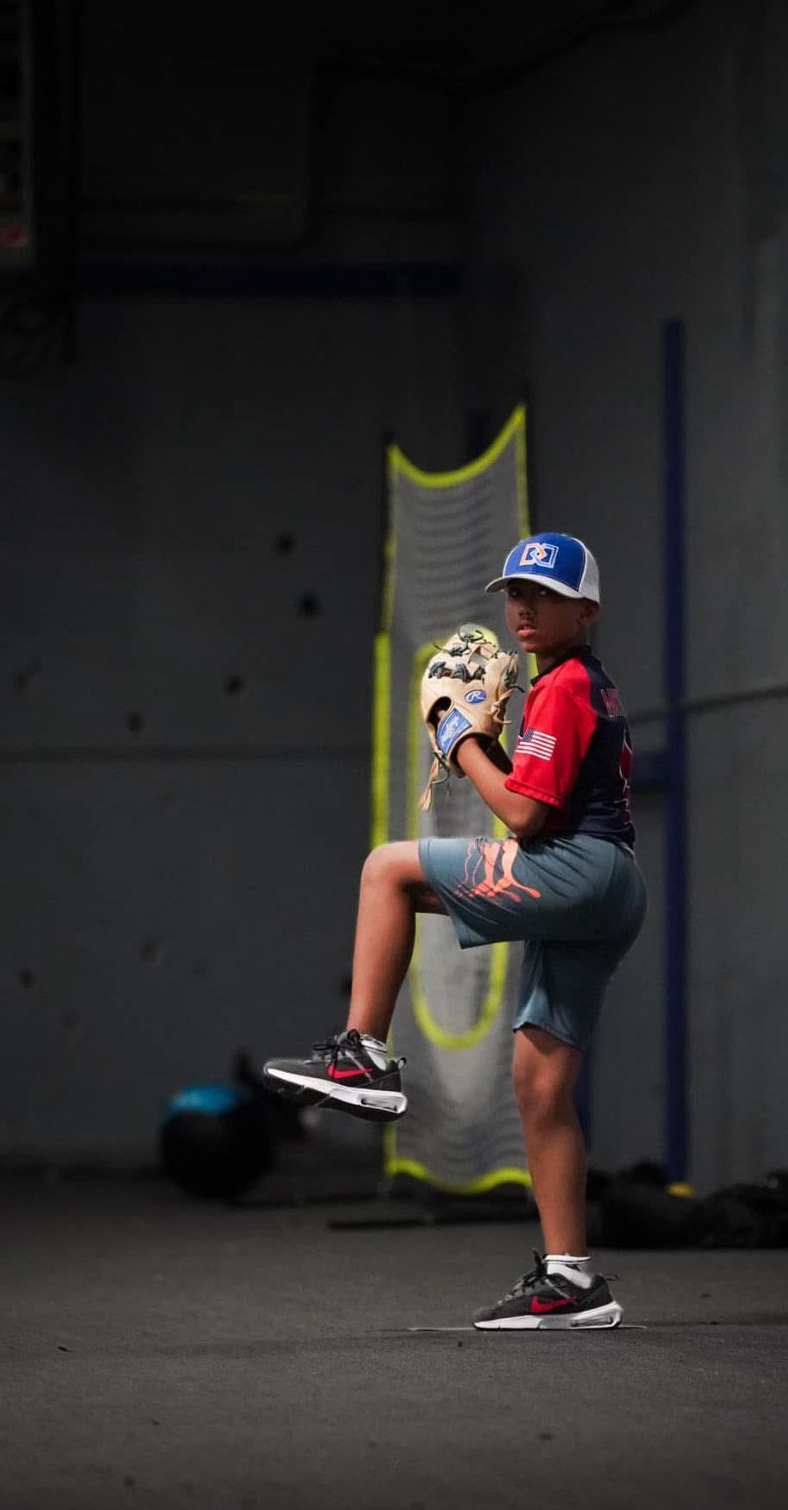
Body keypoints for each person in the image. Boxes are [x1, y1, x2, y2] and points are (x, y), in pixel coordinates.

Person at [264, 532, 646, 1329]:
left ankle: (363, 1054)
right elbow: (539, 798)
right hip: (608, 883)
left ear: (588, 608)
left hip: (578, 869)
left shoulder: (563, 685)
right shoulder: (583, 684)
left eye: (542, 595)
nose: (523, 607)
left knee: (386, 869)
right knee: (539, 1087)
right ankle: (572, 1281)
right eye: (514, 593)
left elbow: (520, 813)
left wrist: (457, 735)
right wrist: (490, 746)